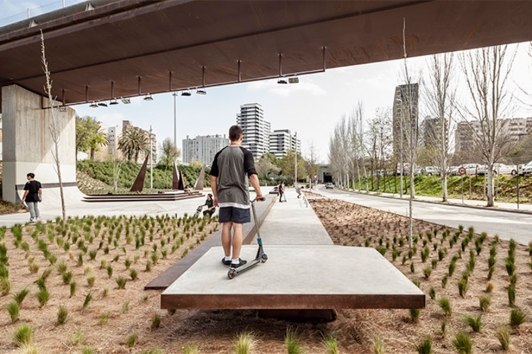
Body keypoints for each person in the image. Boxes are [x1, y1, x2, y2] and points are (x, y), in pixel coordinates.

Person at [210, 125, 264, 269]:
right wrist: (259, 193)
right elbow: (252, 175)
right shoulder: (245, 153)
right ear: (241, 137)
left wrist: (215, 196)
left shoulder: (220, 154)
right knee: (237, 226)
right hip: (239, 196)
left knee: (226, 226)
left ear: (229, 137)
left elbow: (212, 177)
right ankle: (235, 260)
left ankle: (227, 257)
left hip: (224, 196)